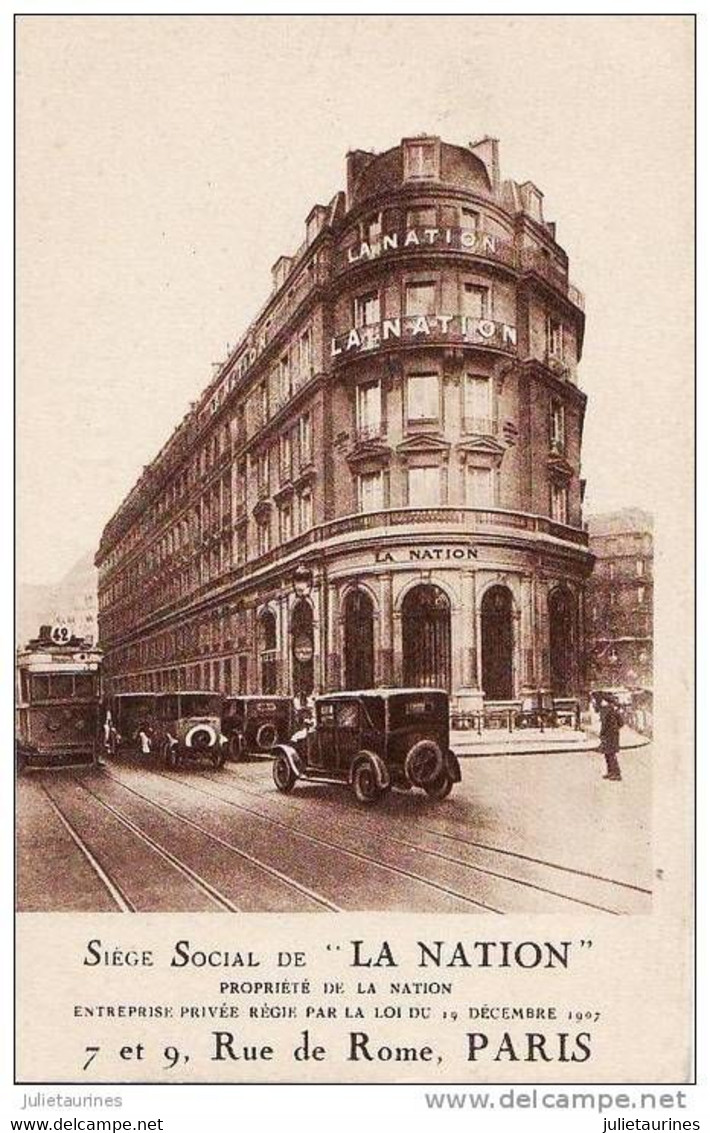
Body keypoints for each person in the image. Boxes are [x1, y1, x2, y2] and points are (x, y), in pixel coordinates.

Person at [595, 693, 624, 781]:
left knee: (610, 754)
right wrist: (615, 730)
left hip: (608, 735)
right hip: (613, 735)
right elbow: (621, 723)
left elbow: (604, 725)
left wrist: (602, 734)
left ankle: (616, 773)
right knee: (609, 754)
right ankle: (611, 772)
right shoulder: (613, 710)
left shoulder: (606, 711)